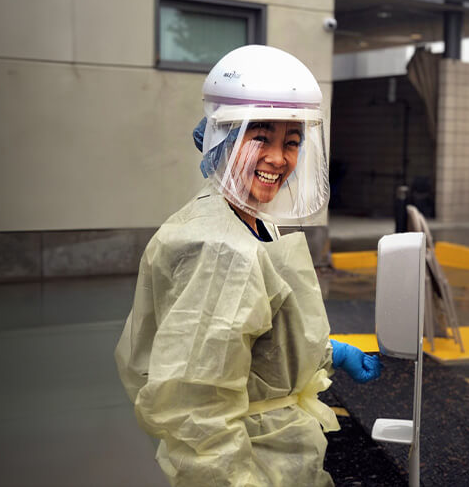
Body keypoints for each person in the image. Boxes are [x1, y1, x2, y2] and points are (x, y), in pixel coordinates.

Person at [115, 45, 382, 487]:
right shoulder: (218, 248)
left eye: (291, 143)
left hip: (279, 453)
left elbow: (252, 340)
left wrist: (327, 351)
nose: (279, 158)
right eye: (260, 138)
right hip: (252, 464)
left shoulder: (247, 220)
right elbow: (197, 410)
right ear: (222, 137)